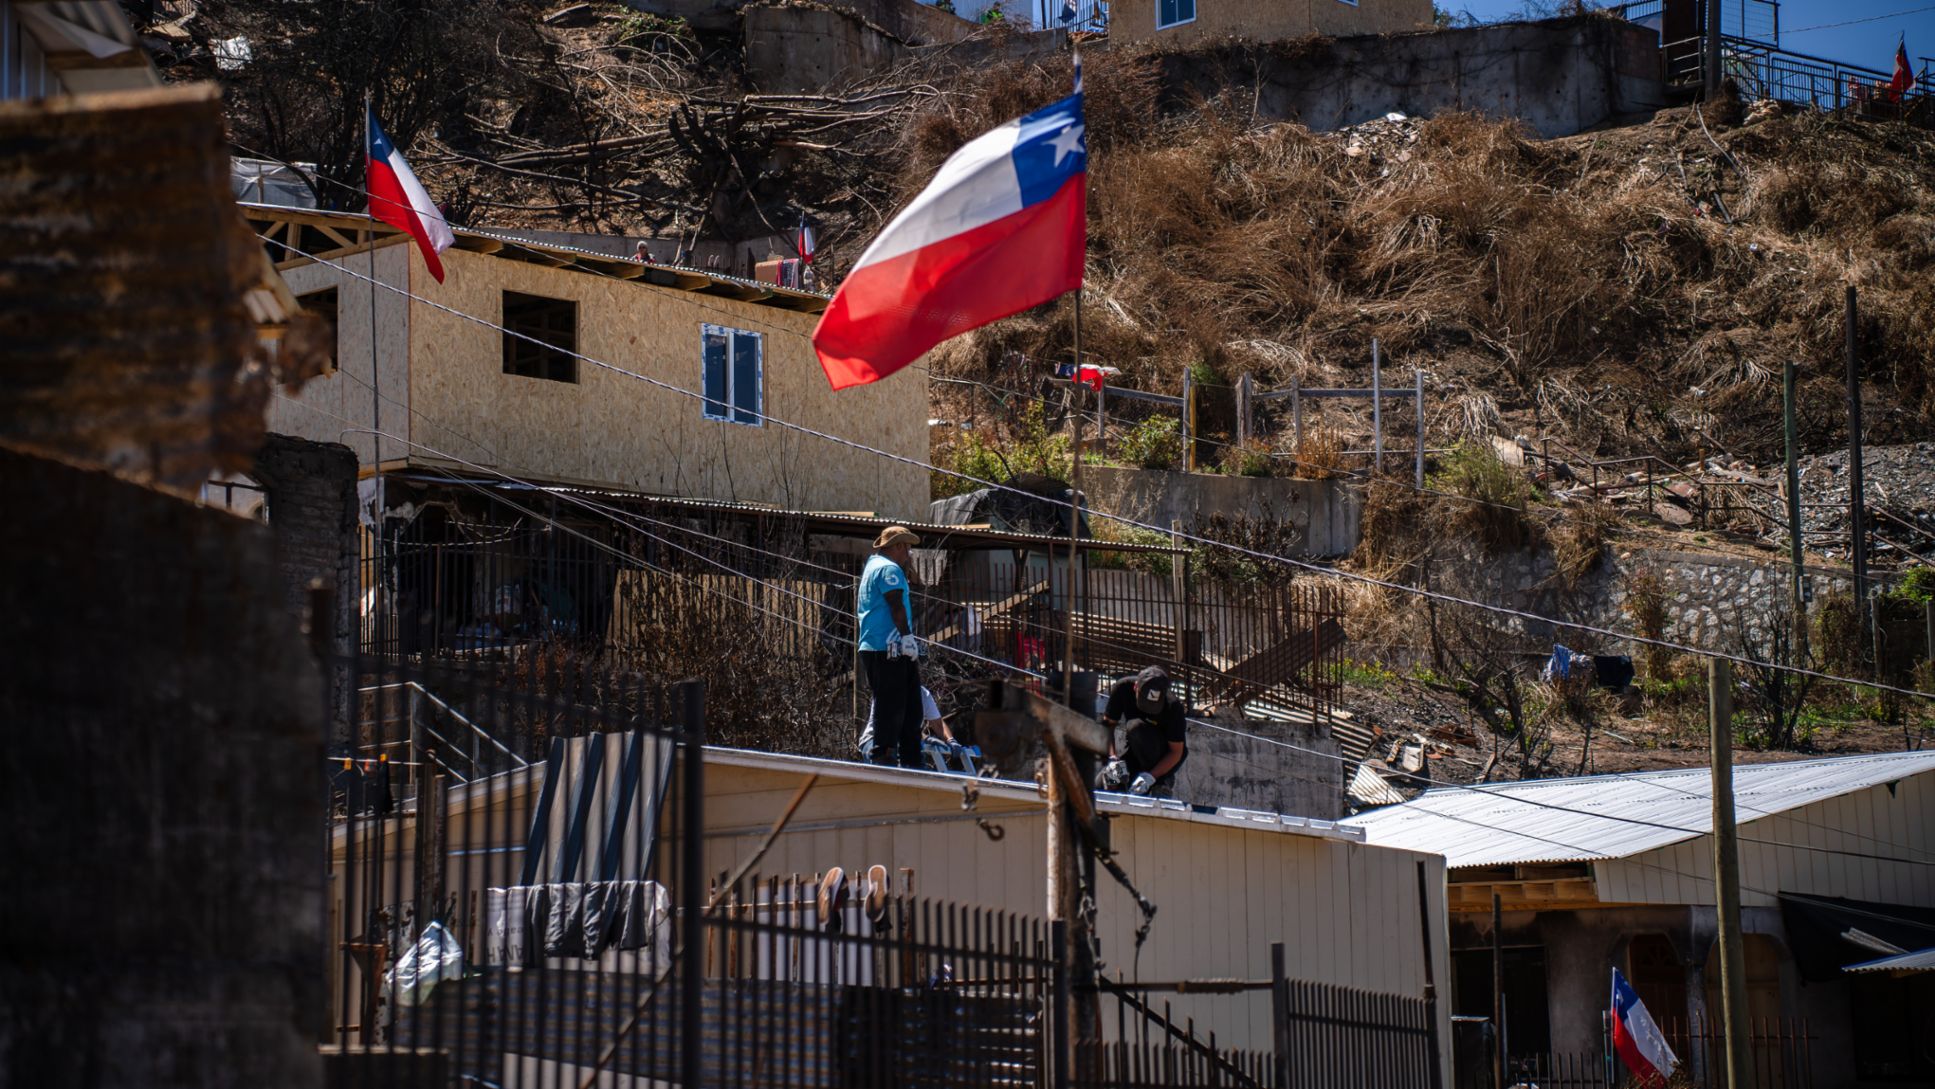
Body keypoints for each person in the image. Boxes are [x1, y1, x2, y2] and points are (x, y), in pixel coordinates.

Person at [857, 526, 923, 768]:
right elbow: (895, 605)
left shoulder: (872, 567)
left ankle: (909, 756)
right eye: (906, 547)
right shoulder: (888, 569)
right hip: (888, 647)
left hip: (880, 646)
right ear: (897, 546)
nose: (908, 553)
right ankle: (885, 755)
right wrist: (907, 637)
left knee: (909, 707)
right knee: (892, 705)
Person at [1096, 666, 1186, 796]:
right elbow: (1107, 726)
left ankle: (1162, 781)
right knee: (1101, 788)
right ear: (1136, 687)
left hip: (1162, 758)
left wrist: (1150, 777)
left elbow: (1176, 752)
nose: (1147, 709)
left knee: (1135, 727)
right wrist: (1112, 759)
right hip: (1135, 753)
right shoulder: (1123, 688)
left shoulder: (1173, 706)